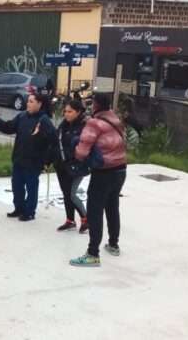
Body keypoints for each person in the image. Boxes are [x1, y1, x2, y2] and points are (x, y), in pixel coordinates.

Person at [69, 93, 127, 267]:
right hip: (121, 170)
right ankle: (113, 244)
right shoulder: (115, 119)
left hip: (103, 172)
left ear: (95, 105)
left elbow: (82, 152)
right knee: (112, 206)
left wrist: (75, 147)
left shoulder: (94, 123)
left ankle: (93, 253)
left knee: (95, 210)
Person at [0, 94, 56, 222]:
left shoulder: (44, 120)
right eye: (28, 101)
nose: (27, 104)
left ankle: (29, 212)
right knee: (17, 186)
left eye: (31, 101)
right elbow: (8, 127)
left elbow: (53, 141)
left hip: (34, 161)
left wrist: (46, 161)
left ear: (39, 104)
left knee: (31, 187)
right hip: (19, 159)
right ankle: (19, 208)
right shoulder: (22, 116)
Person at [52, 99, 90, 233]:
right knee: (66, 194)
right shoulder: (64, 125)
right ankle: (70, 220)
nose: (66, 114)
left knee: (72, 194)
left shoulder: (85, 126)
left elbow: (84, 147)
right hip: (61, 165)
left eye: (70, 112)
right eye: (65, 111)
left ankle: (86, 219)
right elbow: (57, 140)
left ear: (78, 112)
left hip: (76, 166)